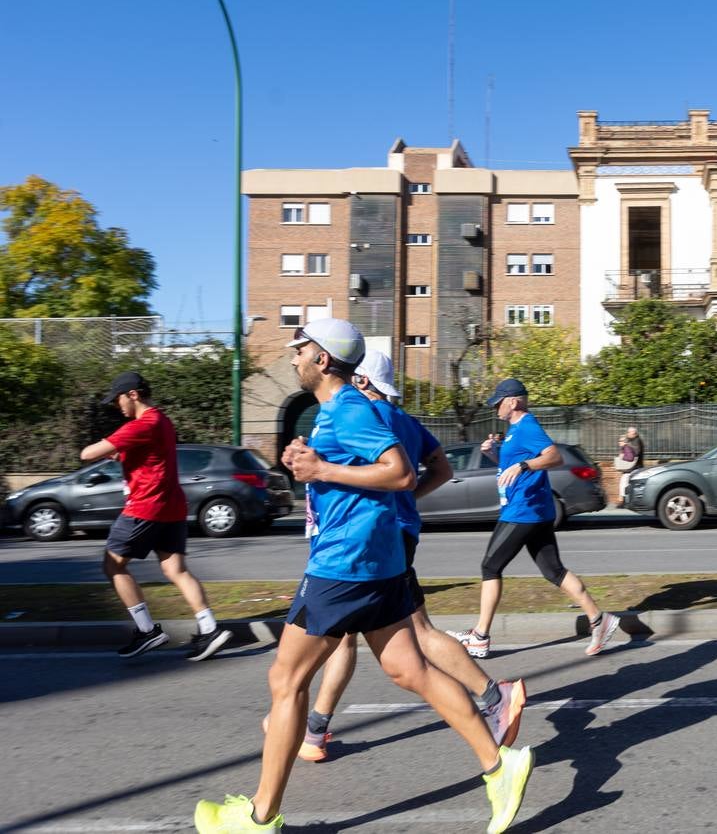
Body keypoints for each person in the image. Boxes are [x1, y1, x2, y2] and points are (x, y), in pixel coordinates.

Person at [195, 319, 532, 834]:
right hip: (377, 562)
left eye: (300, 350)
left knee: (285, 681)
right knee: (409, 670)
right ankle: (498, 765)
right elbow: (359, 474)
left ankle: (260, 817)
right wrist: (305, 462)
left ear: (323, 359)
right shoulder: (339, 411)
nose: (293, 358)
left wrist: (322, 471)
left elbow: (398, 471)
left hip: (343, 567)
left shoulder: (350, 408)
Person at [276, 349, 526, 763]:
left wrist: (322, 466)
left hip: (367, 545)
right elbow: (438, 470)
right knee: (384, 642)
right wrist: (409, 498)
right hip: (392, 537)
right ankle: (314, 729)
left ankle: (492, 697)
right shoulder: (405, 421)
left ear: (360, 380)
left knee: (399, 642)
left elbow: (390, 472)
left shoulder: (362, 415)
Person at [450, 378, 621, 659]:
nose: (495, 408)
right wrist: (495, 455)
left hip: (523, 512)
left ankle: (480, 636)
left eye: (499, 402)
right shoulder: (515, 430)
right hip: (535, 511)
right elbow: (513, 468)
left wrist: (524, 463)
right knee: (553, 571)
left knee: (490, 566)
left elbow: (554, 457)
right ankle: (599, 620)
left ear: (514, 401)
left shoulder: (528, 426)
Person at [79, 371, 233, 661]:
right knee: (176, 570)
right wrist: (121, 455)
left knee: (113, 566)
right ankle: (210, 628)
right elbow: (151, 458)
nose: (117, 406)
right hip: (171, 506)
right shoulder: (162, 421)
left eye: (118, 399)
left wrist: (106, 448)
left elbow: (87, 454)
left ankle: (147, 630)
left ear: (133, 395)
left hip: (145, 507)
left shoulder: (141, 424)